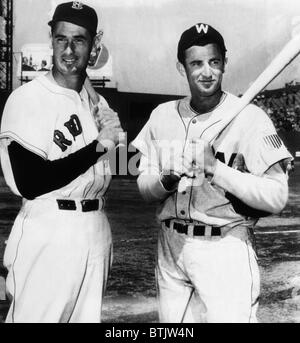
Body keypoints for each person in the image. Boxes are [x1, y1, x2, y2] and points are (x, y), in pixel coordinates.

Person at [132, 23, 292, 323]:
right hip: (170, 249)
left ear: (225, 63)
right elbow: (143, 187)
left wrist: (214, 168)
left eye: (214, 62)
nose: (207, 72)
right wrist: (166, 180)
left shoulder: (250, 118)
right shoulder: (162, 116)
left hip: (225, 249)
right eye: (196, 63)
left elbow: (276, 195)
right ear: (182, 68)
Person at [0, 1, 124, 323]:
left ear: (95, 44)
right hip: (48, 230)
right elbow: (31, 181)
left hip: (96, 230)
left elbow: (122, 165)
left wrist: (169, 162)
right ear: (51, 39)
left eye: (79, 40)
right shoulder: (27, 99)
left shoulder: (98, 102)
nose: (68, 50)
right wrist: (100, 146)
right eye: (61, 39)